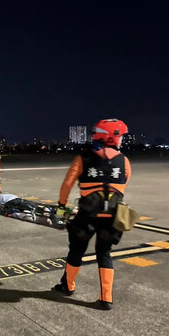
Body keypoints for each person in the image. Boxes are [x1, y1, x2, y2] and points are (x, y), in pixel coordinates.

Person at [52, 119, 131, 310]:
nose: (121, 140)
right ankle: (106, 298)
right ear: (111, 137)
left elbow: (67, 184)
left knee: (76, 251)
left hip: (87, 216)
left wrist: (61, 207)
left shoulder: (82, 158)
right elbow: (123, 185)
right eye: (120, 136)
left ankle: (68, 285)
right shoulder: (124, 161)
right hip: (113, 217)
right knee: (104, 253)